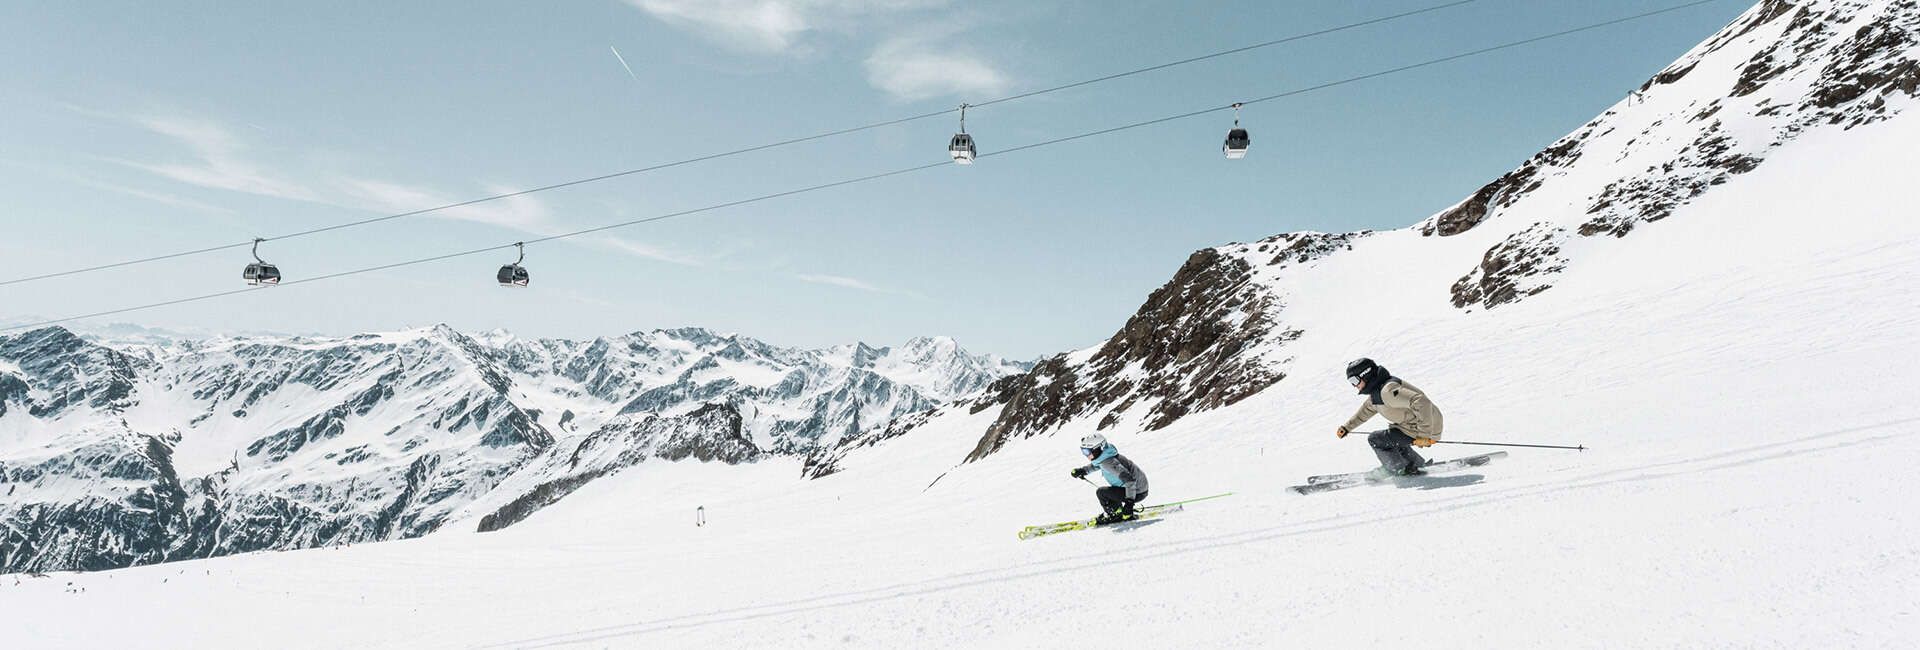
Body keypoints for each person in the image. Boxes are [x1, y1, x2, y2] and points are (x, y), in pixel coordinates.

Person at [1335, 358, 1444, 477]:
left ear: (1365, 375)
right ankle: (1415, 464)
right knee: (1393, 437)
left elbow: (1421, 401)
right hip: (1416, 426)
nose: (1354, 385)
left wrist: (1424, 435)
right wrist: (1347, 427)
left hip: (1425, 428)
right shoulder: (1377, 392)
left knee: (1376, 439)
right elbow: (1366, 411)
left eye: (1354, 380)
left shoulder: (1387, 391)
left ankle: (1397, 469)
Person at [1069, 433, 1149, 524]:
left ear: (1098, 449)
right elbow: (1097, 465)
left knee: (1102, 492)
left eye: (1087, 451)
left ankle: (1115, 515)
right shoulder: (1105, 457)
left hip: (1137, 492)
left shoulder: (1109, 462)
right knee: (1108, 492)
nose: (1086, 455)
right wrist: (1083, 470)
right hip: (1138, 489)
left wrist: (1129, 503)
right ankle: (1117, 510)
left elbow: (1129, 480)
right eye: (1083, 451)